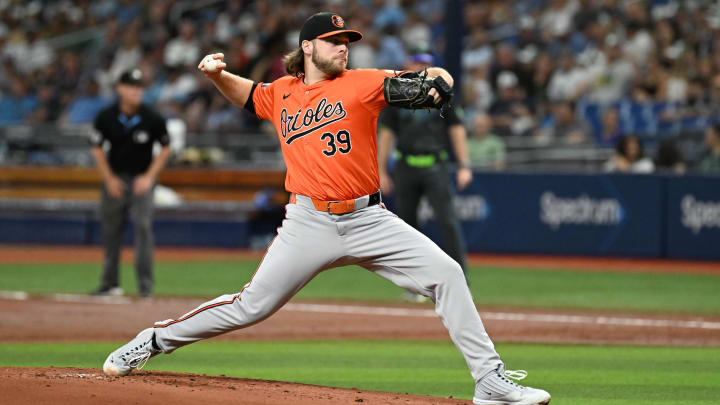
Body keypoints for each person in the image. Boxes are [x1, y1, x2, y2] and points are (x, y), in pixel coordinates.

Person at [102, 13, 551, 405]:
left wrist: (439, 79)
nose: (344, 48)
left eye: (347, 42)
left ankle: (489, 382)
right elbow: (249, 93)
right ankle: (154, 339)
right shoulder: (281, 92)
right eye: (335, 41)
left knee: (448, 274)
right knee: (251, 306)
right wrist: (217, 74)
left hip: (368, 218)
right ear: (307, 47)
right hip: (308, 221)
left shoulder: (365, 83)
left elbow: (431, 77)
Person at [378, 49, 472, 287]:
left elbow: (457, 130)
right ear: (408, 62)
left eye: (425, 62)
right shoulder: (396, 93)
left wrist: (464, 165)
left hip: (435, 163)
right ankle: (414, 284)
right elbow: (386, 135)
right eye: (417, 61)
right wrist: (380, 170)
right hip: (405, 165)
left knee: (448, 222)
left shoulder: (442, 91)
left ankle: (461, 281)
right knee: (407, 228)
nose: (420, 65)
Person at [90, 68, 171, 298]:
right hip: (115, 178)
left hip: (141, 180)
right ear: (120, 89)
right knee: (110, 231)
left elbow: (166, 147)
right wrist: (109, 179)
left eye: (139, 87)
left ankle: (145, 287)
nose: (137, 91)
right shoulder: (106, 116)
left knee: (143, 227)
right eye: (132, 86)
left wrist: (149, 177)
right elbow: (96, 146)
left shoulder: (151, 117)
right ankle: (109, 283)